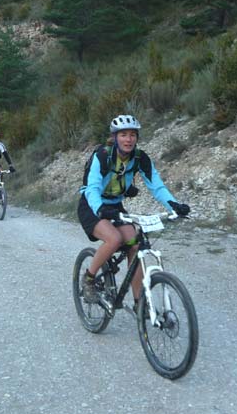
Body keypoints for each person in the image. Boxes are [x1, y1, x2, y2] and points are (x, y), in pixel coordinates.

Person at [78, 114, 190, 310]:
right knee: (113, 239)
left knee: (135, 245)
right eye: (123, 135)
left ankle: (140, 303)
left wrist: (174, 205)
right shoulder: (102, 156)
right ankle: (88, 279)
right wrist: (100, 209)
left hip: (114, 205)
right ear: (114, 137)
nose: (128, 139)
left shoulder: (140, 158)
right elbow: (92, 187)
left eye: (132, 135)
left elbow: (157, 186)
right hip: (91, 205)